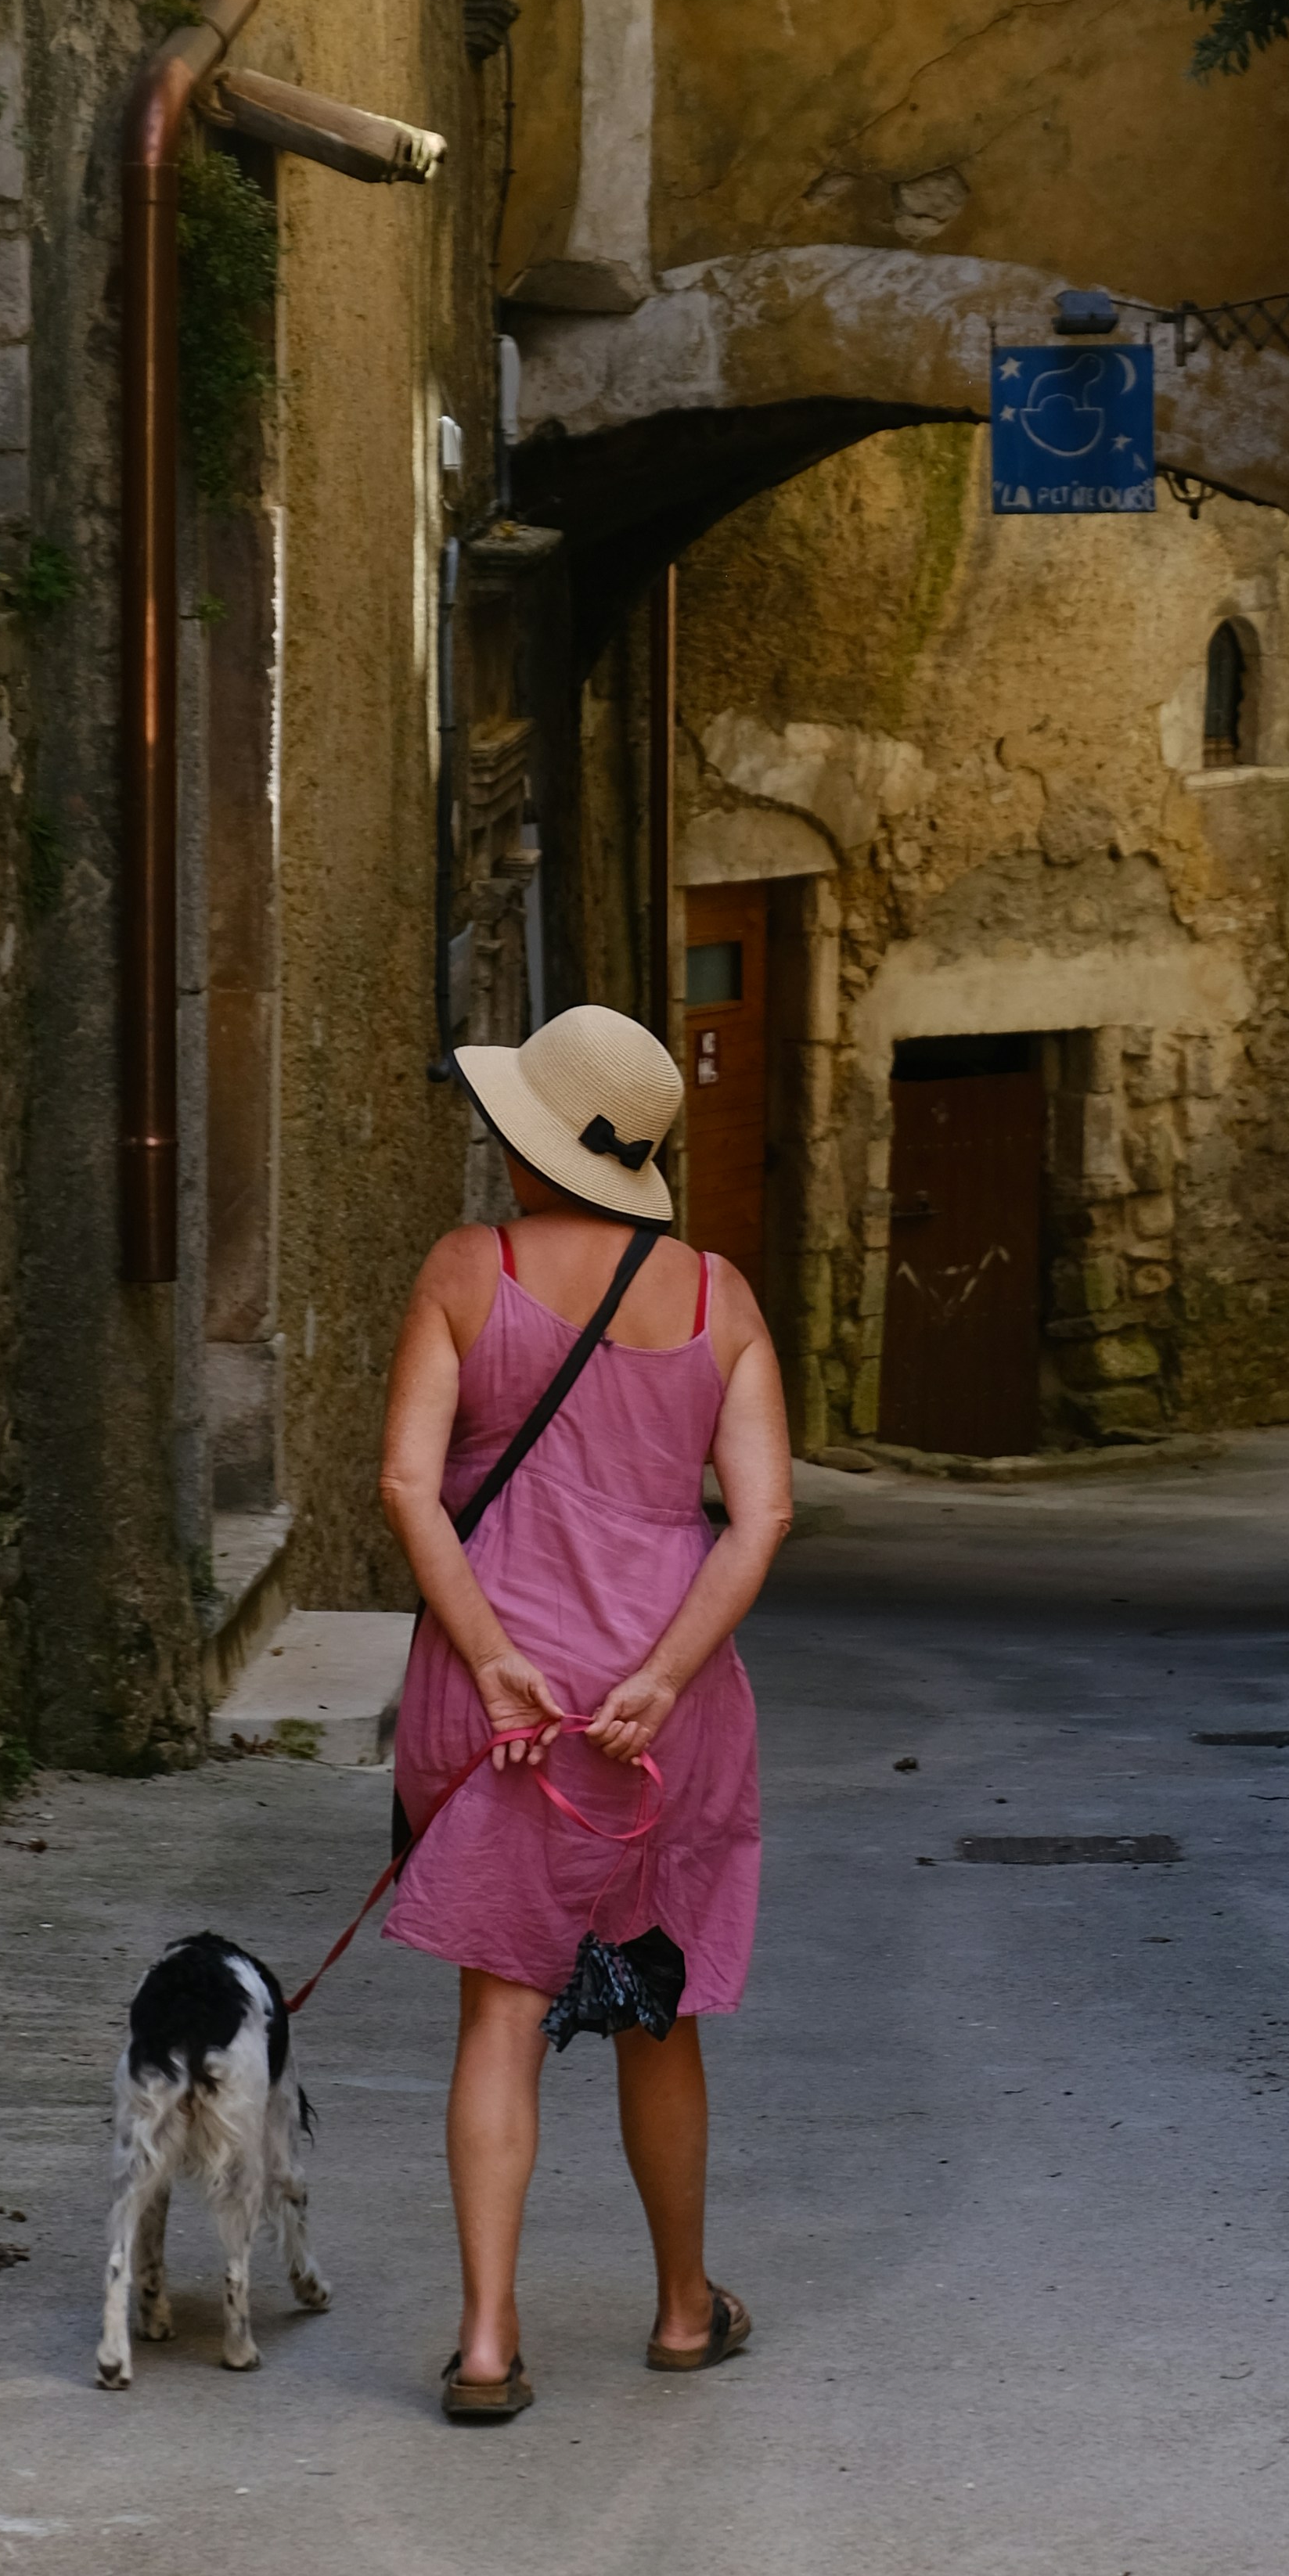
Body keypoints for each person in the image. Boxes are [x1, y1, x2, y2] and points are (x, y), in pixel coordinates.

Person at [376, 1002, 793, 2423]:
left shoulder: (463, 1270)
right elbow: (763, 1515)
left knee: (500, 2007)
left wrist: (490, 1653)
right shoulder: (720, 1296)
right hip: (658, 1710)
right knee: (653, 2011)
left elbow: (406, 1490)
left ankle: (489, 2341)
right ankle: (685, 2309)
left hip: (508, 1704)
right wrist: (668, 1674)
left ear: (529, 1138)